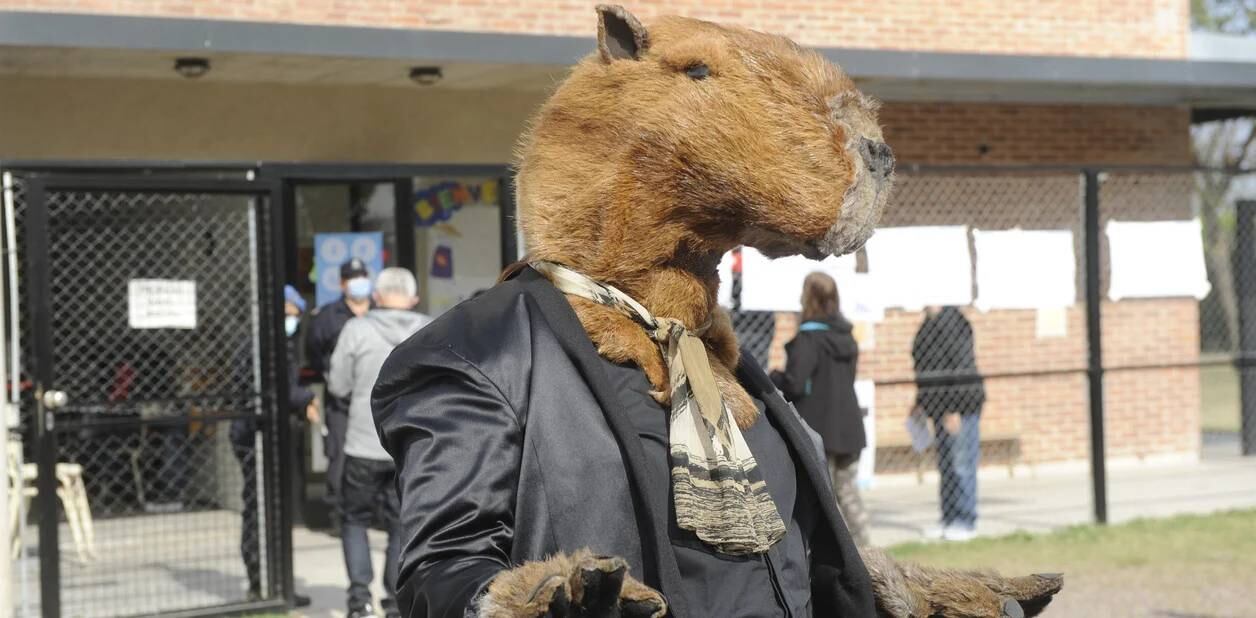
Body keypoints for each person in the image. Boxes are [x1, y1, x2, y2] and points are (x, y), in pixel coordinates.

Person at [327, 268, 431, 618]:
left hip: (362, 444)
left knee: (354, 519)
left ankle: (360, 602)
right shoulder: (430, 330)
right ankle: (394, 601)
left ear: (377, 296)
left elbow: (338, 386)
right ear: (413, 299)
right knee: (402, 524)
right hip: (410, 447)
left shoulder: (356, 329)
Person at [229, 284, 317, 605]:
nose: (294, 320)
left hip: (262, 434)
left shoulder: (268, 341)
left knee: (271, 509)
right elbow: (278, 388)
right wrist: (307, 397)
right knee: (259, 509)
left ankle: (276, 585)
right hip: (256, 436)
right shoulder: (268, 345)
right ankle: (261, 585)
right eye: (292, 313)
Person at [770, 272, 870, 546]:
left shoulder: (808, 339)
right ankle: (865, 552)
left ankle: (830, 554)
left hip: (818, 430)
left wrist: (775, 376)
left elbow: (795, 384)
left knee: (821, 499)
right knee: (848, 494)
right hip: (848, 427)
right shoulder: (847, 337)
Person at [306, 257, 373, 531]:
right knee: (339, 456)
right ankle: (339, 515)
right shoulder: (327, 316)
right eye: (352, 277)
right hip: (342, 400)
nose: (358, 282)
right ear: (342, 283)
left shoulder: (379, 311)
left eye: (361, 276)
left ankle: (376, 513)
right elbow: (313, 351)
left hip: (374, 398)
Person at [910, 305, 986, 542]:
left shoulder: (954, 321)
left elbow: (961, 365)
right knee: (947, 465)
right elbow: (925, 367)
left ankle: (965, 520)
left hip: (959, 407)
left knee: (962, 463)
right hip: (938, 408)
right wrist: (920, 402)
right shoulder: (927, 325)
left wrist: (955, 407)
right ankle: (949, 518)